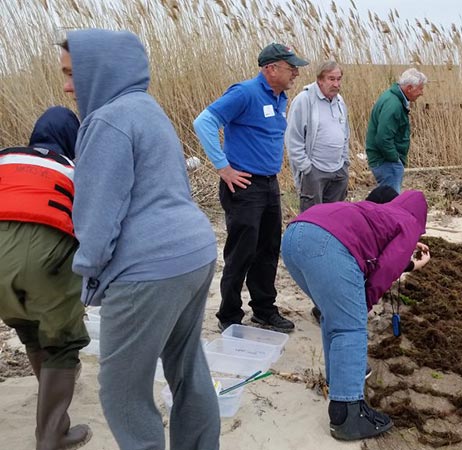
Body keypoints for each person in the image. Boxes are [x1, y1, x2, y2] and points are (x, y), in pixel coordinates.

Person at [60, 29, 220, 449]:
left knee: (121, 391)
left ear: (101, 70)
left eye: (73, 74)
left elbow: (97, 214)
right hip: (195, 253)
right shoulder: (147, 108)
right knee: (188, 369)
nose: (67, 86)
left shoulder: (107, 120)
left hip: (148, 270)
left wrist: (89, 275)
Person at [281, 187, 430, 441]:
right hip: (326, 244)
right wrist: (362, 307)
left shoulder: (382, 213)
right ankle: (347, 416)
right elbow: (385, 271)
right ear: (421, 216)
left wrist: (405, 250)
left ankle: (339, 379)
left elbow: (374, 245)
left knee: (334, 315)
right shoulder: (409, 222)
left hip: (295, 236)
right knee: (349, 325)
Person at [194, 43, 309, 333]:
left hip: (269, 185)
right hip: (244, 186)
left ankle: (264, 309)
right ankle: (229, 314)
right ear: (271, 69)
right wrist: (223, 167)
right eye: (290, 67)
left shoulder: (280, 97)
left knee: (269, 249)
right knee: (241, 251)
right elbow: (204, 121)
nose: (296, 72)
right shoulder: (244, 93)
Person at [0, 107, 90, 449]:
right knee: (62, 342)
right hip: (45, 252)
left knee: (27, 325)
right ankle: (52, 436)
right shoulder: (72, 169)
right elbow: (89, 223)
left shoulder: (5, 158)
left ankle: (50, 412)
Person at [286, 60, 350, 212]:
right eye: (331, 79)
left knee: (335, 216)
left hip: (338, 169)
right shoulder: (304, 100)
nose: (336, 84)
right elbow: (292, 138)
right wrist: (306, 168)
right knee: (312, 218)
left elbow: (345, 134)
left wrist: (345, 162)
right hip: (314, 170)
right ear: (320, 80)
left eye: (338, 79)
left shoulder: (340, 101)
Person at [365, 68, 427, 193]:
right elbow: (383, 138)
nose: (422, 93)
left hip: (384, 160)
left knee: (385, 200)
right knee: (391, 204)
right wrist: (395, 159)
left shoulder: (392, 98)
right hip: (386, 162)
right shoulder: (394, 105)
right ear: (409, 88)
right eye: (420, 88)